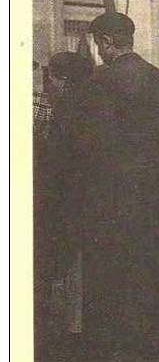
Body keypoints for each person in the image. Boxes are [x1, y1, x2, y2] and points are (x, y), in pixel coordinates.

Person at [82, 11, 159, 362]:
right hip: (150, 192)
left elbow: (97, 144)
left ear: (106, 43)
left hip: (110, 194)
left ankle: (114, 356)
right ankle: (153, 353)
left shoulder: (100, 81)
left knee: (110, 273)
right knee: (149, 270)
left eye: (99, 44)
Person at [43, 52, 95, 335]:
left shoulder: (64, 108)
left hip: (70, 197)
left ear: (62, 78)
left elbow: (57, 160)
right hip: (94, 196)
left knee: (72, 262)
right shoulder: (96, 104)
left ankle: (75, 327)